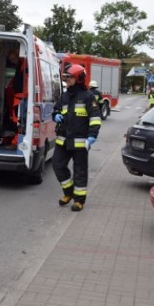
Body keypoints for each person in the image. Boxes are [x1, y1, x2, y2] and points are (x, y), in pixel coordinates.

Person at [52, 64, 101, 212]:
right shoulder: (65, 95)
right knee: (57, 166)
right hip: (63, 140)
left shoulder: (88, 97)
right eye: (66, 77)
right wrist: (56, 116)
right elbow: (56, 110)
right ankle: (68, 192)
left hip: (80, 142)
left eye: (70, 77)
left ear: (79, 78)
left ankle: (79, 200)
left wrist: (92, 136)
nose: (67, 80)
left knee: (80, 171)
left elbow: (95, 118)